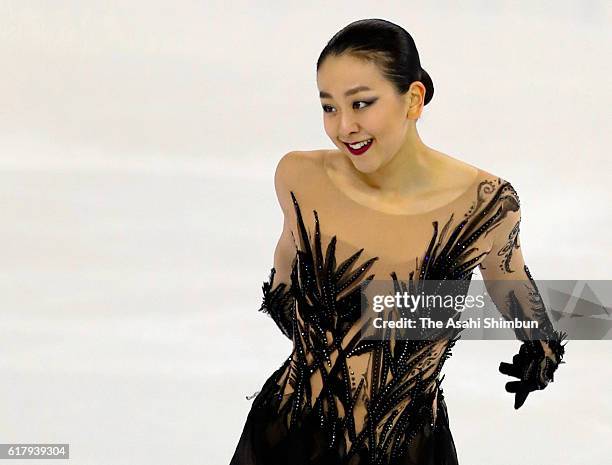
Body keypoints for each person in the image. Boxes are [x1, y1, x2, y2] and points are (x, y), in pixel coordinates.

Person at [229, 18, 567, 465]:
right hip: (289, 436)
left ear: (413, 99)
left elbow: (508, 279)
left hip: (406, 450)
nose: (343, 126)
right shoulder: (300, 178)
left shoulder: (483, 204)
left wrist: (540, 347)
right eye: (329, 107)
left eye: (362, 103)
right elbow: (283, 288)